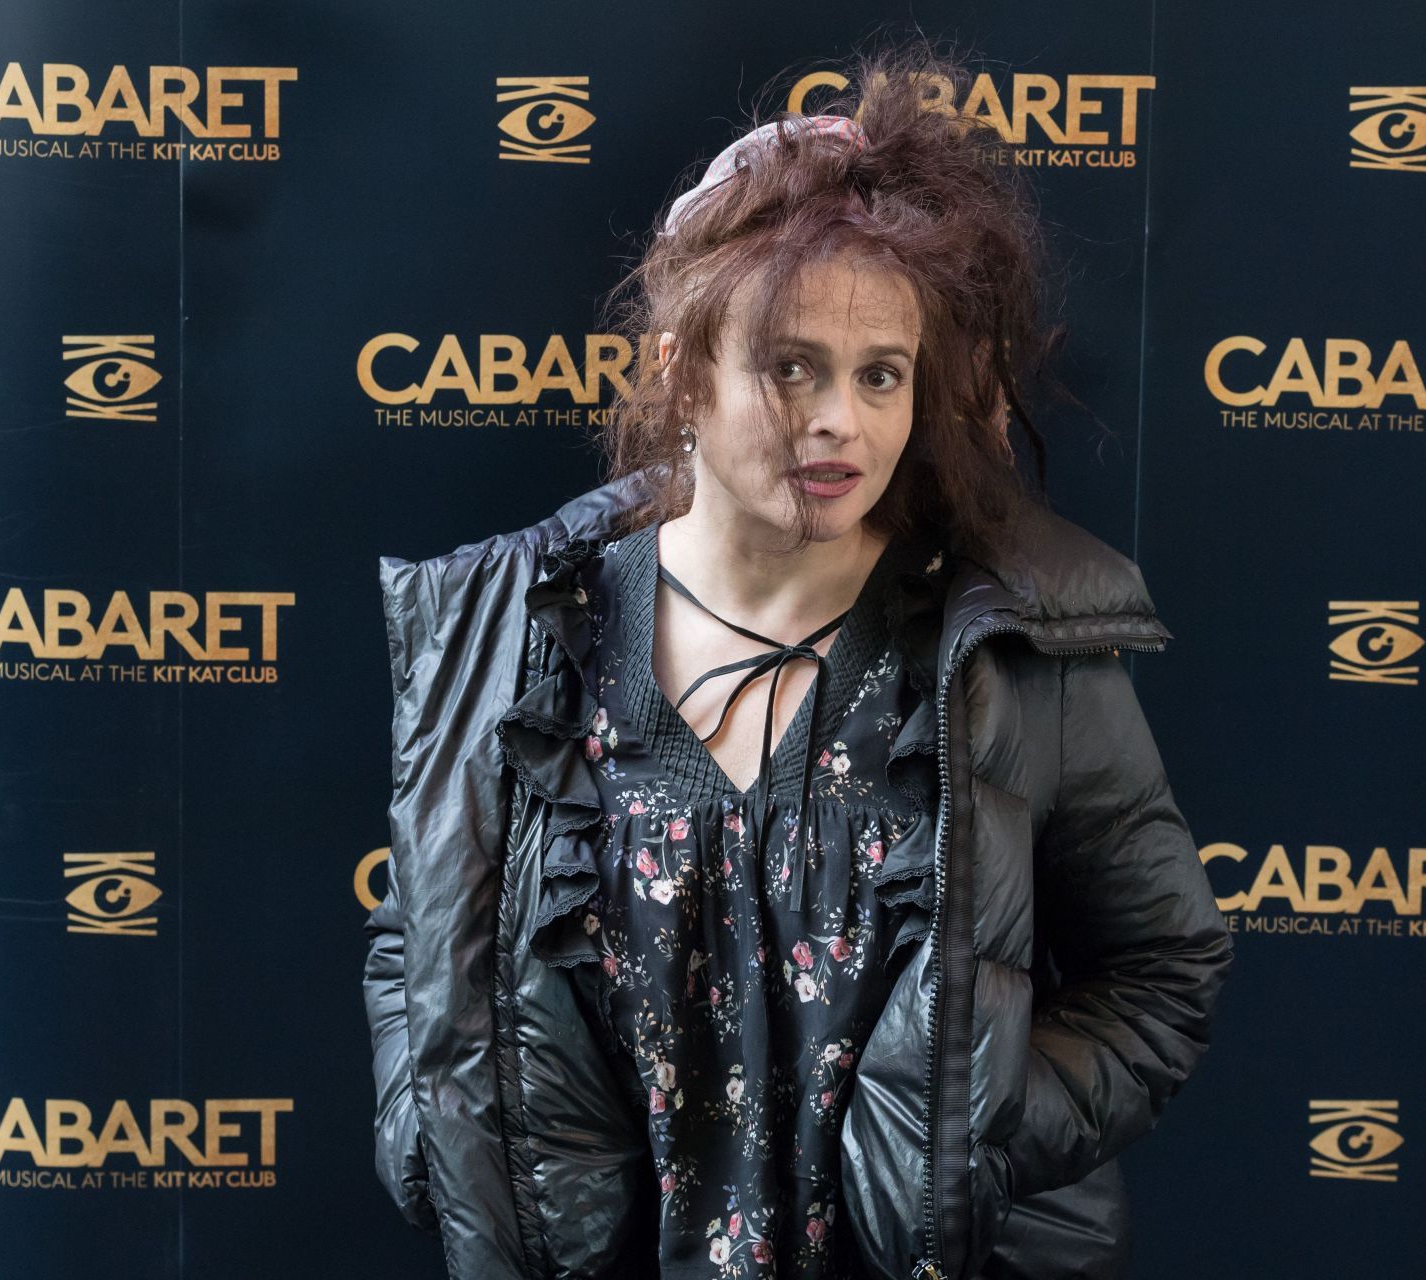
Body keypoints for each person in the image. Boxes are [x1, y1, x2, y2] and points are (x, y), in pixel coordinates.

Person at [362, 42, 1234, 1280]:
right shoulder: (517, 631)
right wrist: (444, 1142)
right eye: (790, 368)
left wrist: (962, 1141)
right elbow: (420, 941)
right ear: (682, 376)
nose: (841, 420)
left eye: (880, 375)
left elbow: (1161, 964)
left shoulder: (1008, 642)